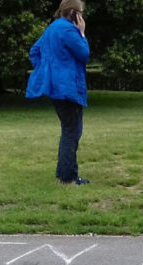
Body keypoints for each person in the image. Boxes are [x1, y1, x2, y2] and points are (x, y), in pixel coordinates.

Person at [26, 0, 91, 185]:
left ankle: (64, 172)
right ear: (73, 13)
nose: (82, 17)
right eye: (81, 13)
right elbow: (84, 54)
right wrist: (82, 33)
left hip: (56, 88)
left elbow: (34, 51)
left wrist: (47, 69)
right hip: (68, 88)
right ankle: (68, 177)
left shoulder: (52, 28)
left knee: (68, 130)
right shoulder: (69, 30)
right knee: (72, 132)